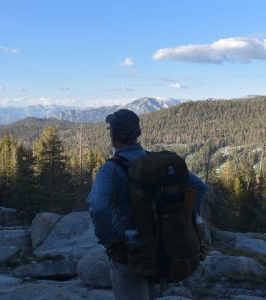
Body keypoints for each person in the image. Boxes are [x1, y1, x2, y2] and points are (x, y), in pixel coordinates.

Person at [87, 109, 207, 300]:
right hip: (161, 247)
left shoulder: (109, 170)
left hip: (130, 252)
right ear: (139, 133)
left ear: (112, 135)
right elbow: (200, 187)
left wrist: (111, 240)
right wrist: (186, 221)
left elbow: (99, 208)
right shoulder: (156, 163)